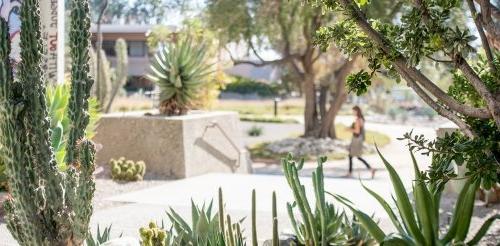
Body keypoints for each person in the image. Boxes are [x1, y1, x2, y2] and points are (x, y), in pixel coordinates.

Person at [346, 106, 376, 178]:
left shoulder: (358, 120)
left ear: (356, 111)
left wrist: (348, 129)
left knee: (354, 156)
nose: (352, 113)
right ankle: (370, 169)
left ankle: (370, 169)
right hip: (359, 139)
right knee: (352, 155)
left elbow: (357, 131)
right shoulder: (361, 119)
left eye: (353, 111)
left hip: (356, 139)